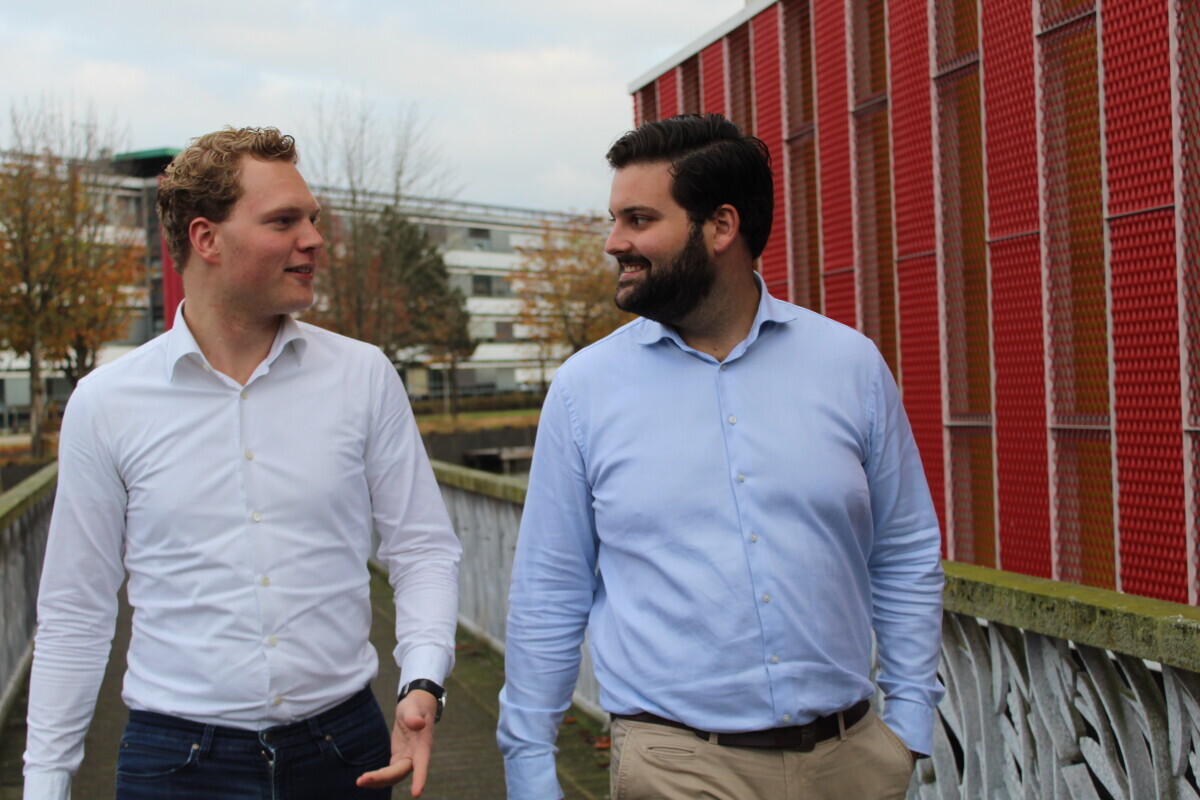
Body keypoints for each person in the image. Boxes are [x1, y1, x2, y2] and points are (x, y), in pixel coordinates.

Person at [497, 113, 944, 800]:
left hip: (850, 763)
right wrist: (530, 769)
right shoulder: (585, 390)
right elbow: (550, 589)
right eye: (616, 220)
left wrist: (907, 724)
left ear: (721, 226)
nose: (615, 243)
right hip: (676, 765)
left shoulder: (850, 366)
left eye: (640, 220)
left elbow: (907, 549)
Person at [22, 127, 460, 800]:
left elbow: (423, 548)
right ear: (206, 238)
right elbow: (77, 608)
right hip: (175, 764)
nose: (314, 239)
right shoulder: (105, 403)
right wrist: (46, 783)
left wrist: (422, 679)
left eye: (312, 218)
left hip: (344, 749)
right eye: (284, 221)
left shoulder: (364, 376)